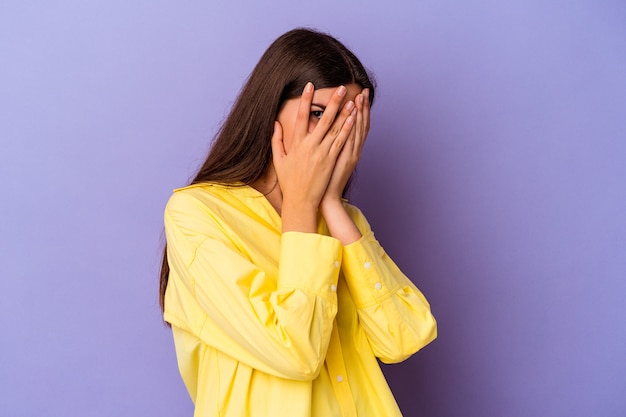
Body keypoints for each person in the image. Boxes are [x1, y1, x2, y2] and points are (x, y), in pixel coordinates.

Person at [159, 28, 437, 417]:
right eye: (319, 114)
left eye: (349, 120)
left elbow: (404, 337)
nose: (334, 134)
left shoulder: (344, 221)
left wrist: (331, 207)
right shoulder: (198, 214)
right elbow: (295, 352)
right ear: (271, 110)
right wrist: (302, 205)